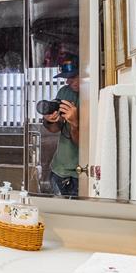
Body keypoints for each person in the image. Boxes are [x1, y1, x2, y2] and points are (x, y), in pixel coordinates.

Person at [44, 57, 80, 196]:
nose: (67, 81)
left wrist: (75, 123)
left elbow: (83, 144)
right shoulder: (65, 92)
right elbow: (55, 129)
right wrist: (49, 120)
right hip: (59, 169)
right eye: (66, 77)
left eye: (72, 77)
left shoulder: (94, 96)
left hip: (79, 173)